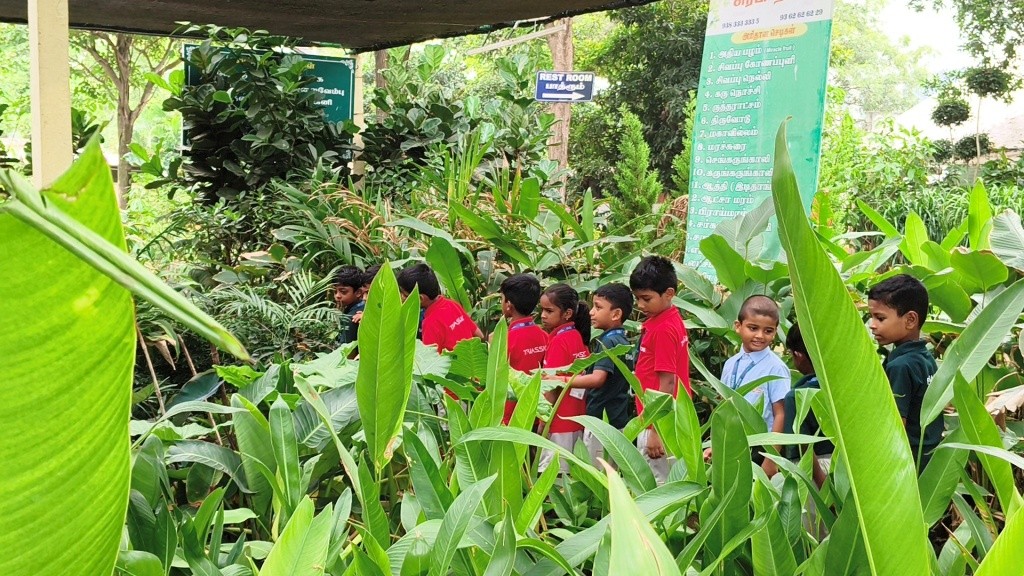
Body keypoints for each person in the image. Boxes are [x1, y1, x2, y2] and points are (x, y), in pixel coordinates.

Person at [868, 274, 943, 469]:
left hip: (906, 464)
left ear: (910, 320)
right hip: (928, 460)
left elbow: (895, 427)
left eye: (880, 318)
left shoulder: (900, 366)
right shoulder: (925, 358)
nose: (872, 324)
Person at [629, 256, 690, 484]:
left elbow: (668, 381)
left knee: (658, 484)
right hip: (662, 418)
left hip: (660, 421)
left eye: (647, 299)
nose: (640, 305)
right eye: (638, 299)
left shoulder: (664, 329)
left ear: (669, 293)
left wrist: (655, 429)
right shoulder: (668, 320)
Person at [565, 283, 634, 466]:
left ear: (616, 314)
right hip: (618, 418)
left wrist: (564, 380)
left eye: (598, 307)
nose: (591, 312)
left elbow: (597, 378)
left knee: (597, 473)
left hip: (601, 423)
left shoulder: (608, 342)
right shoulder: (622, 340)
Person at [538, 283, 590, 473]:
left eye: (549, 311)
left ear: (567, 313)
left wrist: (542, 419)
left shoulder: (559, 341)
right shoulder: (576, 336)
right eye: (542, 310)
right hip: (576, 418)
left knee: (553, 475)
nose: (543, 315)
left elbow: (551, 386)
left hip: (559, 422)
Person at [782, 323, 832, 487]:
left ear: (799, 355)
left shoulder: (796, 396)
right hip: (845, 468)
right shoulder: (843, 390)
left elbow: (804, 446)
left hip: (814, 472)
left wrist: (823, 486)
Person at [396, 263, 483, 353]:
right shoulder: (452, 304)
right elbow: (479, 334)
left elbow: (429, 360)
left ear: (421, 298)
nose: (401, 296)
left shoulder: (430, 323)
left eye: (404, 294)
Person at [498, 273, 548, 423]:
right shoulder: (545, 336)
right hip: (537, 411)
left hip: (509, 415)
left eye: (501, 298)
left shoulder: (504, 340)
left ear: (509, 305)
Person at [333, 265, 365, 347]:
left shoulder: (352, 317)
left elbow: (348, 351)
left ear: (358, 292)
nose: (337, 296)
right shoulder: (365, 307)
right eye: (335, 291)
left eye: (343, 292)